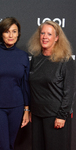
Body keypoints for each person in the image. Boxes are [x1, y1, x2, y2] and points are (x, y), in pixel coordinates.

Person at [28, 20, 75, 150]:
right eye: (42, 33)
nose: (44, 37)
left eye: (49, 34)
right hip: (37, 115)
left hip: (55, 116)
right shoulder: (36, 58)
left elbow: (69, 91)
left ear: (57, 38)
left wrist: (61, 115)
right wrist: (31, 110)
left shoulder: (65, 60)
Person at [0, 17, 30, 150]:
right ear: (1, 34)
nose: (10, 35)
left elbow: (25, 84)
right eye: (7, 31)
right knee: (3, 145)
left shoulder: (23, 56)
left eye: (14, 31)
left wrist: (27, 109)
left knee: (11, 144)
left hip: (17, 107)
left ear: (18, 34)